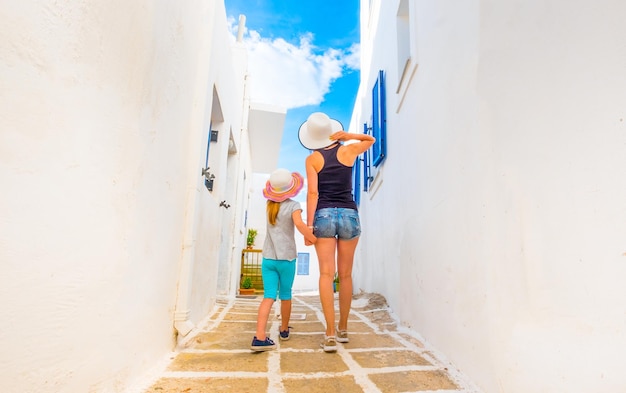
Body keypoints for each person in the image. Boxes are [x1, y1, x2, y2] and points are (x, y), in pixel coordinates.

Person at [299, 112, 375, 352]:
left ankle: (329, 333)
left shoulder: (312, 159)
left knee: (325, 275)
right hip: (349, 214)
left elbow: (313, 194)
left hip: (323, 215)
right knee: (346, 276)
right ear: (332, 131)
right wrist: (349, 136)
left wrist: (309, 227)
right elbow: (370, 141)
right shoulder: (348, 151)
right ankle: (343, 329)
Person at [250, 168, 317, 351]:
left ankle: (259, 337)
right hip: (286, 259)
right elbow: (299, 224)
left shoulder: (269, 206)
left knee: (268, 296)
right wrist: (313, 238)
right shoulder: (294, 205)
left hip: (268, 259)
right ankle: (284, 329)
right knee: (286, 295)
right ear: (291, 188)